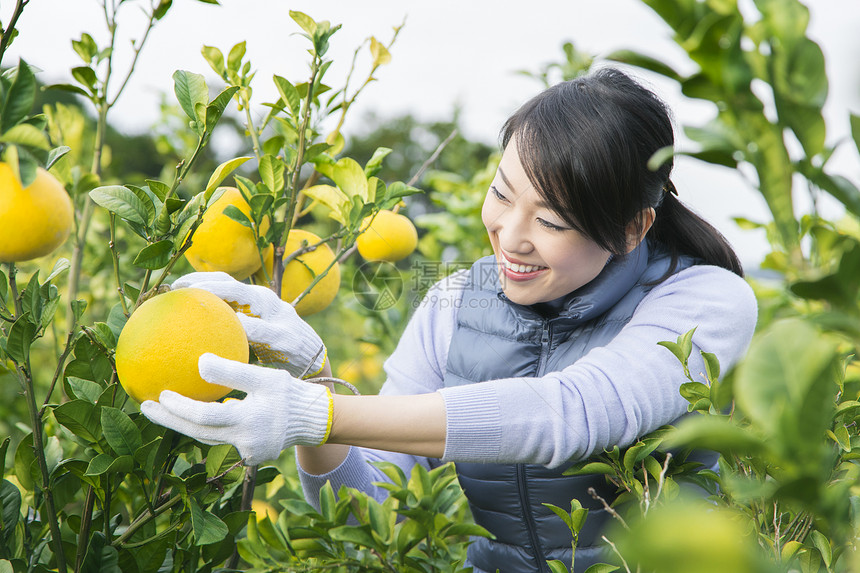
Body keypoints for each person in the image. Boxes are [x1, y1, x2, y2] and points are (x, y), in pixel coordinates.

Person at [142, 67, 758, 572]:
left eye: (551, 221)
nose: (510, 238)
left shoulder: (703, 302)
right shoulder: (453, 305)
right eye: (502, 194)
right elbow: (370, 513)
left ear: (633, 228)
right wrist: (314, 389)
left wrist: (320, 413)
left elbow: (569, 415)